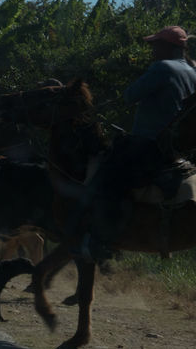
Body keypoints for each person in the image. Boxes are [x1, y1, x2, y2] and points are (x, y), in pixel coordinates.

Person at [79, 25, 196, 257]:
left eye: (155, 44)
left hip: (148, 145)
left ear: (166, 46)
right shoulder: (194, 70)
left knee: (106, 179)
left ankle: (102, 239)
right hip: (181, 149)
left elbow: (130, 96)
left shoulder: (162, 67)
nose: (152, 49)